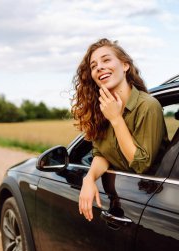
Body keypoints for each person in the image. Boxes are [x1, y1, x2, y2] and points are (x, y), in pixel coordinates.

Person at [71, 38, 168, 221]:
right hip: (120, 202)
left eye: (106, 60)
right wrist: (89, 178)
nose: (99, 67)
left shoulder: (147, 106)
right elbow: (101, 154)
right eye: (94, 65)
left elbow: (140, 164)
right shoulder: (101, 110)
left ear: (125, 66)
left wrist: (116, 119)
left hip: (152, 204)